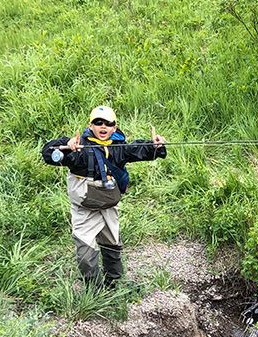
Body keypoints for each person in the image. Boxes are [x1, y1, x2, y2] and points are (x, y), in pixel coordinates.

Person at [42, 105, 167, 290]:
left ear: (114, 128)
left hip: (108, 206)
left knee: (112, 244)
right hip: (84, 209)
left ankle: (114, 282)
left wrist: (156, 146)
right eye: (98, 122)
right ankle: (94, 290)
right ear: (90, 125)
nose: (103, 126)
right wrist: (67, 146)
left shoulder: (118, 147)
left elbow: (138, 149)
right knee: (85, 252)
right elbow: (48, 154)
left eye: (108, 123)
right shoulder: (78, 148)